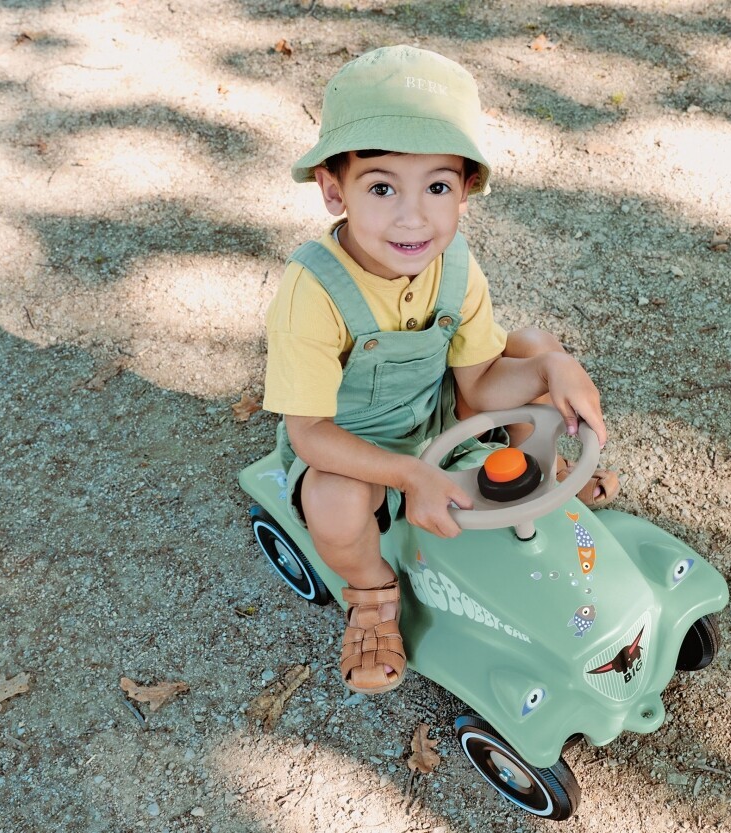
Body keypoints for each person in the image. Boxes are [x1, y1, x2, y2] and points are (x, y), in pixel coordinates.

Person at [263, 45, 619, 695]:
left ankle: (538, 474)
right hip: (353, 452)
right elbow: (310, 432)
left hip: (439, 417)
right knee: (334, 502)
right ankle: (372, 597)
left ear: (466, 191)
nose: (413, 216)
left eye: (437, 187)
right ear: (334, 190)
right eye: (381, 187)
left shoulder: (456, 267)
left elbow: (479, 383)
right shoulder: (311, 291)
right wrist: (410, 474)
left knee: (535, 355)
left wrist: (553, 366)